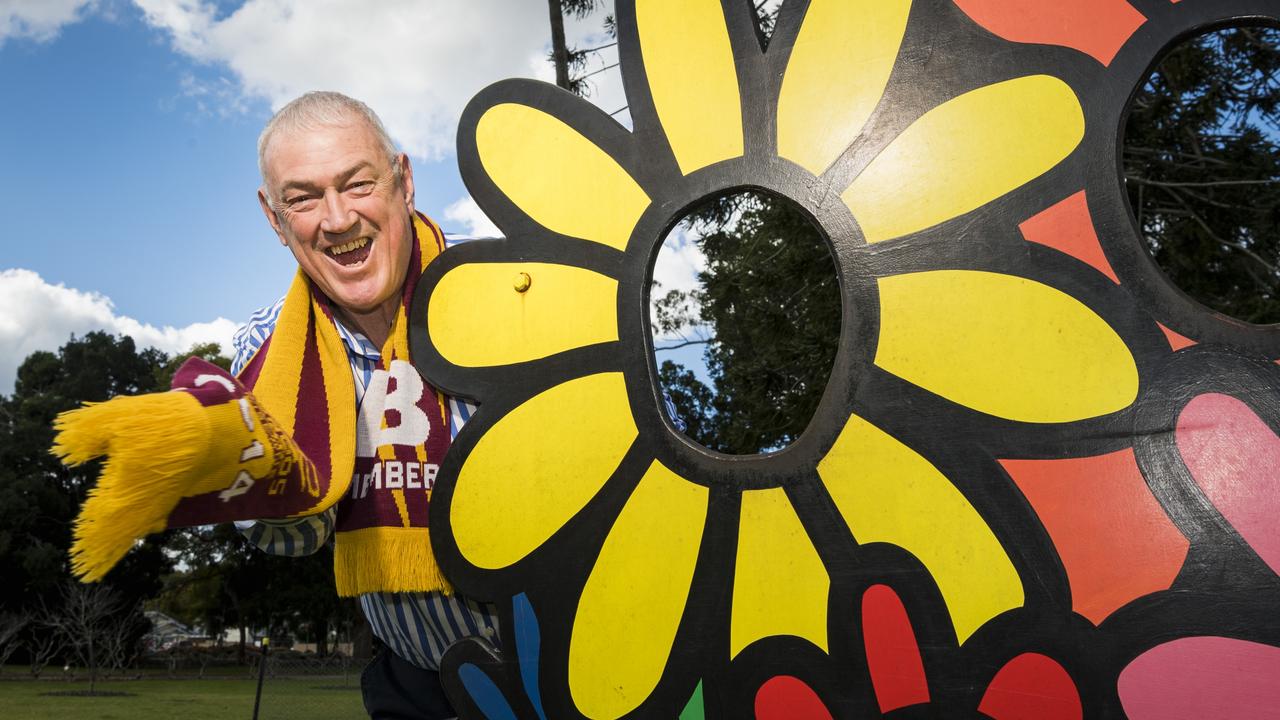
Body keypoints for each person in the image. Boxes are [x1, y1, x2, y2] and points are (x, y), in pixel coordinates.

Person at [234, 90, 495, 719]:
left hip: (579, 658)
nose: (337, 219)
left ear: (404, 182)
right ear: (274, 219)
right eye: (302, 198)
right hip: (416, 682)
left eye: (357, 184)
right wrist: (242, 483)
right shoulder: (263, 346)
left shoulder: (505, 282)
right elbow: (291, 541)